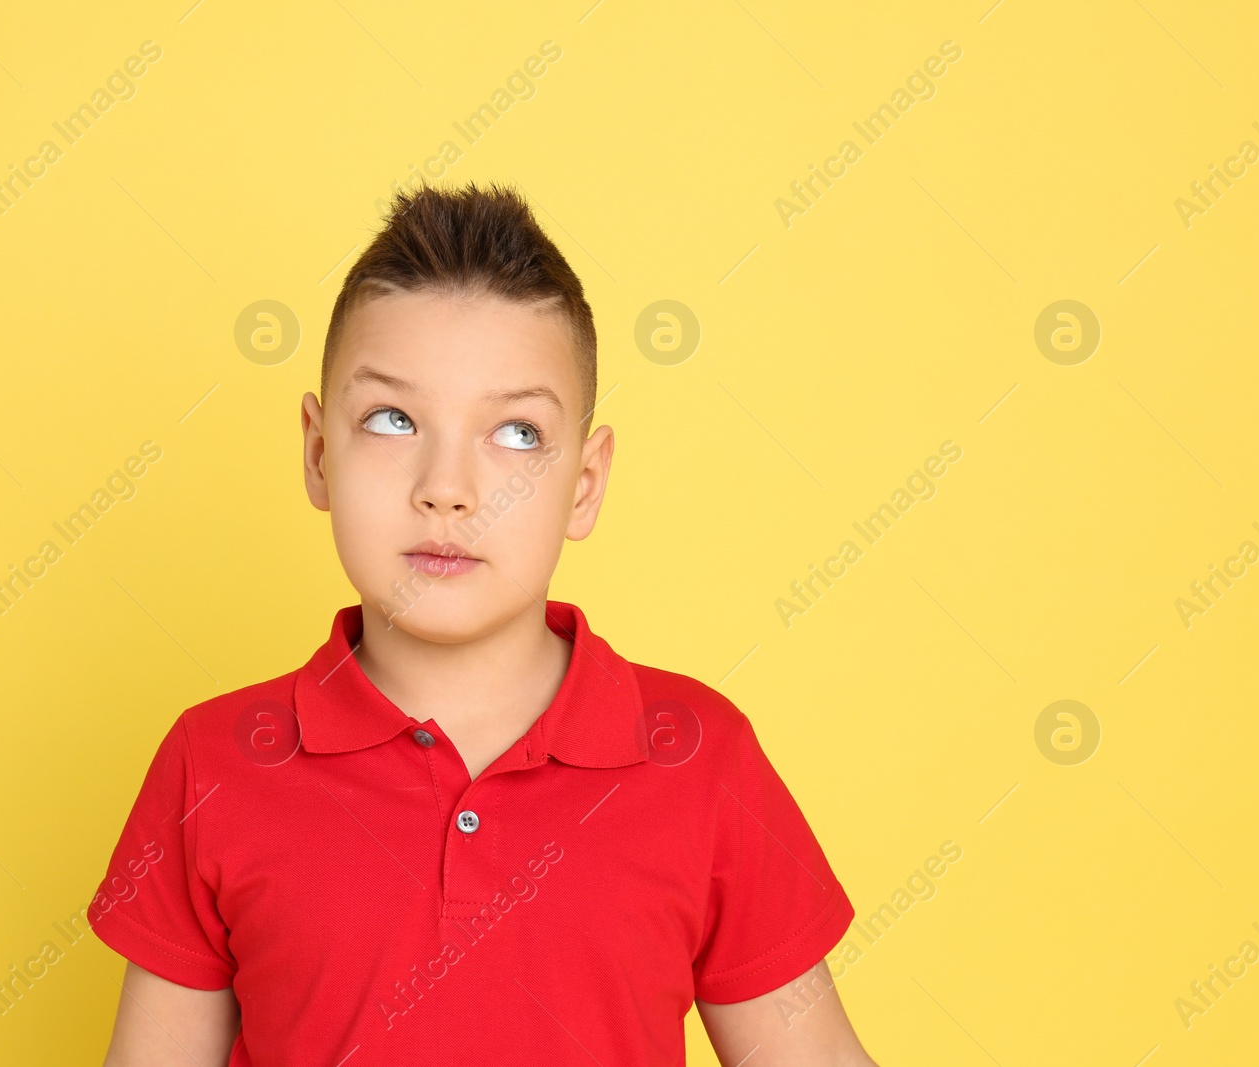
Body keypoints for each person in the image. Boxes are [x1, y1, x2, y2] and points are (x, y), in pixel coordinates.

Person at [89, 181, 876, 1066]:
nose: (448, 487)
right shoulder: (215, 762)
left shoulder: (700, 757)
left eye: (515, 433)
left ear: (585, 483)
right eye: (392, 419)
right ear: (317, 453)